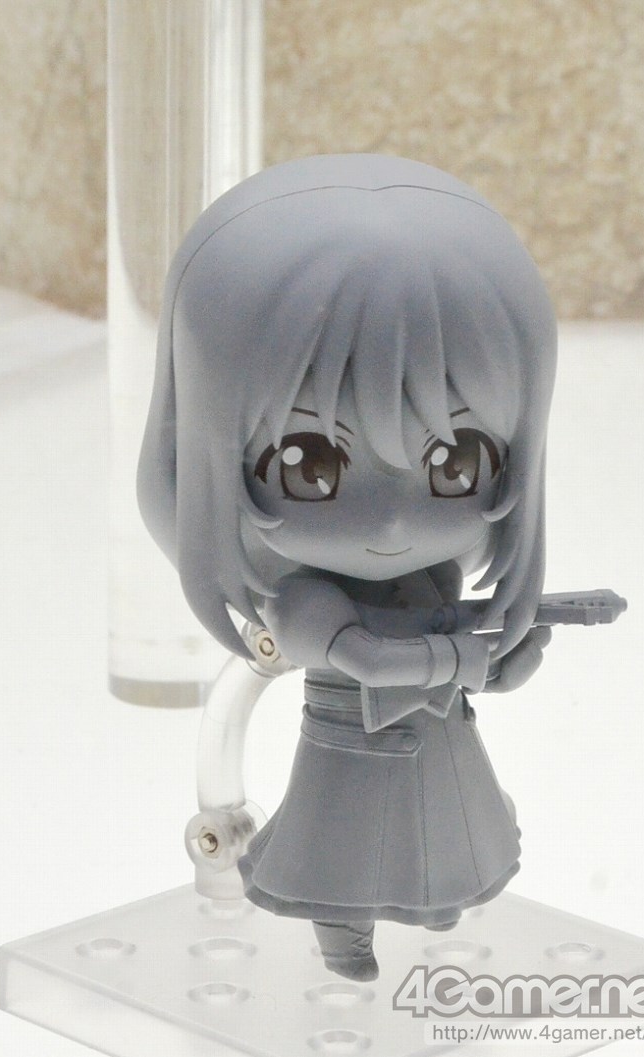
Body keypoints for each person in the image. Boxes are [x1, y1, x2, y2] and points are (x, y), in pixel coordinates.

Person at [138, 153, 557, 980]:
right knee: (339, 855)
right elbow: (363, 657)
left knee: (451, 839)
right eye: (310, 464)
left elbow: (476, 656)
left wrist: (511, 650)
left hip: (439, 740)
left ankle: (437, 902)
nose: (394, 522)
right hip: (351, 752)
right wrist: (459, 656)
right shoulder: (303, 598)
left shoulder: (437, 577)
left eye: (456, 464)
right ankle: (344, 938)